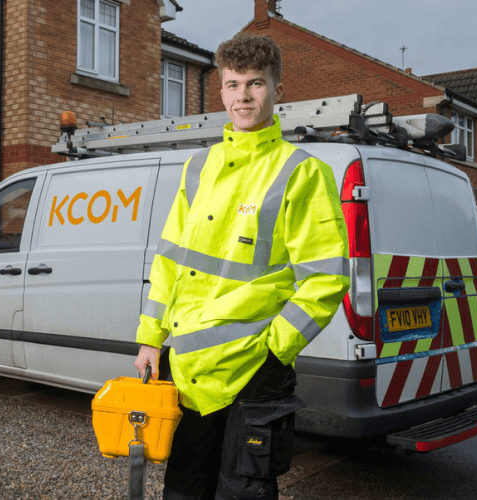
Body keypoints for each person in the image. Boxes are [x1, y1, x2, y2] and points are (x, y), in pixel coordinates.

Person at [134, 31, 350, 500]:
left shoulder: (302, 172)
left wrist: (276, 350)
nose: (243, 96)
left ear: (277, 91)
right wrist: (151, 339)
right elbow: (169, 259)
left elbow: (327, 277)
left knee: (243, 492)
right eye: (233, 85)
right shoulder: (199, 167)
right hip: (189, 368)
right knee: (184, 490)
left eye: (255, 84)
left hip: (255, 373)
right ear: (222, 91)